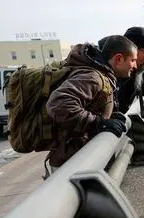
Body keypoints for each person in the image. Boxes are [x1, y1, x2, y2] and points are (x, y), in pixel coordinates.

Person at [45, 35, 138, 172]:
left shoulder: (103, 75)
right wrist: (98, 123)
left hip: (77, 160)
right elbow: (58, 104)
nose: (135, 66)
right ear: (118, 59)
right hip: (71, 165)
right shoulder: (94, 77)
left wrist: (107, 118)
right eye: (133, 60)